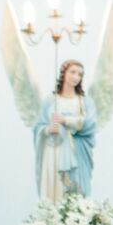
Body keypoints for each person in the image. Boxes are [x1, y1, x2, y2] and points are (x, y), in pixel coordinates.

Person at [32, 59, 94, 201]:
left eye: (80, 74)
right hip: (53, 151)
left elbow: (89, 124)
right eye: (72, 72)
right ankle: (52, 218)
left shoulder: (84, 102)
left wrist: (66, 120)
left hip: (75, 151)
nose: (76, 77)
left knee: (72, 188)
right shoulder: (50, 102)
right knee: (54, 188)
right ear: (63, 73)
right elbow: (38, 127)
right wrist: (47, 130)